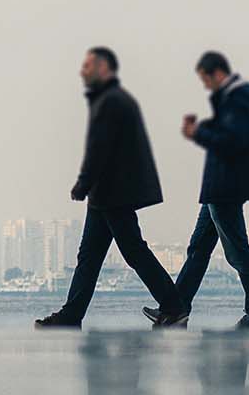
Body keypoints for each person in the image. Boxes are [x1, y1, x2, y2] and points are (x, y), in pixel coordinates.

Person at [38, 47, 180, 330]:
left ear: (104, 68)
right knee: (89, 257)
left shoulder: (111, 101)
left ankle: (174, 306)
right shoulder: (112, 100)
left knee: (132, 251)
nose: (82, 71)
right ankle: (71, 314)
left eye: (88, 66)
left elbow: (100, 150)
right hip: (106, 195)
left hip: (114, 193)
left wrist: (83, 183)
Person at [164, 50, 249, 331]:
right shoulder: (232, 100)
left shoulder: (236, 100)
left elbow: (232, 142)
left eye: (205, 79)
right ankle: (175, 308)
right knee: (198, 249)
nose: (205, 86)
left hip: (225, 187)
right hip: (218, 188)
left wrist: (198, 134)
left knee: (238, 251)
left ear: (216, 73)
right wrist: (203, 129)